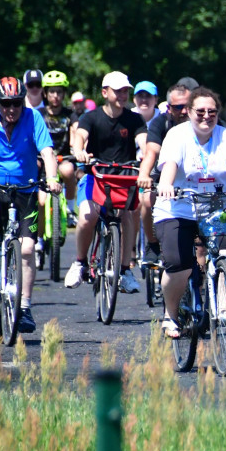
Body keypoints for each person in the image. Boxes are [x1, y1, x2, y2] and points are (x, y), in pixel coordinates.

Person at [153, 86, 226, 337]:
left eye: (212, 112)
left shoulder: (225, 137)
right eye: (201, 111)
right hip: (178, 207)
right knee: (179, 265)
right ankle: (170, 315)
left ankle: (225, 306)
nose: (207, 116)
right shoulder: (177, 135)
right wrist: (166, 184)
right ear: (189, 112)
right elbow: (170, 164)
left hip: (215, 206)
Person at [0, 77, 61, 333]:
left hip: (25, 187)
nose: (12, 109)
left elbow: (48, 152)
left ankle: (24, 307)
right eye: (6, 104)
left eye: (16, 103)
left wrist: (51, 178)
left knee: (27, 249)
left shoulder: (33, 118)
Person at [66, 71, 147, 293]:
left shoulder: (134, 118)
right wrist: (80, 151)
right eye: (118, 91)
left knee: (129, 214)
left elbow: (143, 140)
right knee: (88, 216)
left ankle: (125, 270)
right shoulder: (91, 118)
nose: (122, 95)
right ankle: (80, 263)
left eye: (125, 91)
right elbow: (79, 137)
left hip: (123, 177)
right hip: (96, 175)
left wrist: (145, 154)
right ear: (105, 93)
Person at [136, 83, 193, 265]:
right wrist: (144, 174)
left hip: (193, 174)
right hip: (163, 172)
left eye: (187, 106)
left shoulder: (201, 121)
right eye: (178, 107)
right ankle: (152, 245)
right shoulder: (161, 123)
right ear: (169, 108)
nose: (184, 111)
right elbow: (151, 152)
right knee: (147, 199)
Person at [38, 70, 77, 203]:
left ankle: (71, 208)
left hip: (63, 159)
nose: (55, 96)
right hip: (42, 160)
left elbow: (77, 131)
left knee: (68, 170)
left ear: (64, 93)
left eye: (59, 92)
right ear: (45, 93)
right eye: (52, 92)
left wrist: (79, 149)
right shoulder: (38, 114)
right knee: (41, 201)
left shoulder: (70, 114)